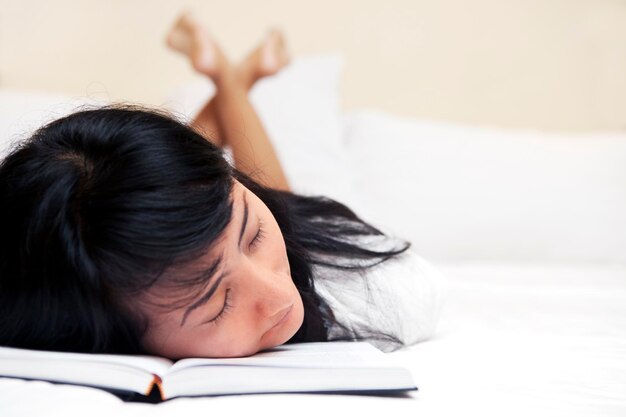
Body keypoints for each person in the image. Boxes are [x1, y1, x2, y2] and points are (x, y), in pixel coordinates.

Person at [0, 13, 445, 359]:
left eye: (254, 238)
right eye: (218, 305)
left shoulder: (386, 296)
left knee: (277, 193)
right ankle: (235, 76)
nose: (277, 298)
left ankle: (232, 78)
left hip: (308, 218)